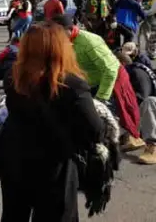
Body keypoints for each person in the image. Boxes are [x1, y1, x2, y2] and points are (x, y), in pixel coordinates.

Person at [0, 24, 104, 222]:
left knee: (13, 215)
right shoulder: (72, 84)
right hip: (54, 164)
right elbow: (95, 130)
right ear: (61, 48)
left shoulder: (14, 76)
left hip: (13, 157)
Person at [51, 15, 144, 152]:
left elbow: (110, 70)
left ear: (69, 29)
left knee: (108, 115)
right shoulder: (64, 42)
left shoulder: (88, 40)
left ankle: (115, 145)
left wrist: (102, 98)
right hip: (91, 80)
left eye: (58, 33)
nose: (55, 37)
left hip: (112, 78)